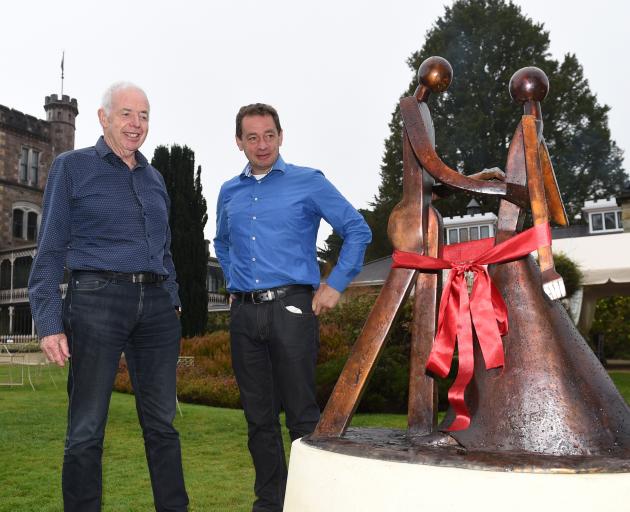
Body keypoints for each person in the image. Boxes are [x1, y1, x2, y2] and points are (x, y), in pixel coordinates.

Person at [28, 82, 189, 512]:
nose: (136, 124)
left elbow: (165, 247)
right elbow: (49, 249)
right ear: (103, 118)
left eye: (144, 116)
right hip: (96, 300)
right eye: (127, 114)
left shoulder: (155, 179)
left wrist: (172, 297)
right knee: (86, 429)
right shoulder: (72, 167)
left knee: (163, 426)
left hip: (155, 308)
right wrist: (48, 322)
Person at [214, 103, 372, 511]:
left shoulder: (308, 182)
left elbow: (357, 229)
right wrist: (233, 279)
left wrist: (335, 284)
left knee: (302, 416)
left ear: (281, 136)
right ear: (239, 142)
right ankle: (270, 503)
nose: (262, 144)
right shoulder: (229, 191)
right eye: (252, 137)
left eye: (269, 135)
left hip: (292, 310)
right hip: (245, 316)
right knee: (258, 420)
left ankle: (310, 502)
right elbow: (223, 243)